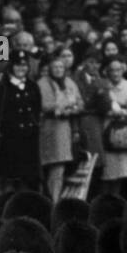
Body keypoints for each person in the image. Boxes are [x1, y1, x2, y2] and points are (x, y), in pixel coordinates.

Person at [0, 49, 42, 193]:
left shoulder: (32, 86)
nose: (21, 69)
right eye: (18, 65)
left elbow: (37, 110)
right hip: (11, 141)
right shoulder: (4, 88)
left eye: (24, 65)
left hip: (30, 139)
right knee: (12, 180)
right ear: (11, 66)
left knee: (31, 179)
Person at [38, 50, 83, 203]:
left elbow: (80, 102)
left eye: (61, 67)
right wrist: (60, 105)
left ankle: (55, 200)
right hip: (48, 128)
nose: (58, 70)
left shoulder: (70, 82)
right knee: (51, 166)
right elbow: (42, 105)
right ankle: (50, 200)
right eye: (55, 67)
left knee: (60, 167)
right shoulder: (42, 83)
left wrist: (74, 108)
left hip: (65, 128)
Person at [98, 55, 127, 197]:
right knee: (107, 173)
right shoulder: (102, 85)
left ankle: (116, 202)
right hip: (106, 130)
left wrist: (122, 111)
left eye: (118, 70)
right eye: (112, 70)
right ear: (107, 71)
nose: (115, 73)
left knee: (121, 173)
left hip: (122, 131)